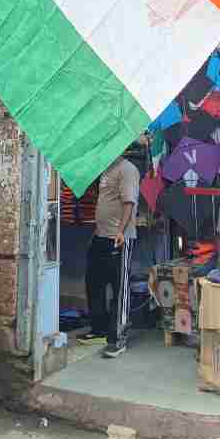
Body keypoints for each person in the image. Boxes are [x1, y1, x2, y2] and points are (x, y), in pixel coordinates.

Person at [83, 149, 139, 358]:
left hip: (119, 237)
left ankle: (118, 338)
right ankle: (99, 329)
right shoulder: (106, 170)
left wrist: (121, 231)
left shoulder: (127, 169)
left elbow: (129, 203)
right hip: (101, 235)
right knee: (94, 281)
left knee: (119, 288)